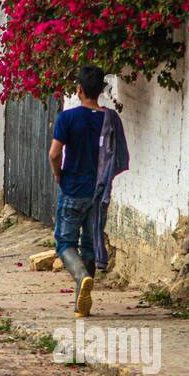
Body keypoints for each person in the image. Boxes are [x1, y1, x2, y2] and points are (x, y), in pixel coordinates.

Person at [48, 65, 128, 318]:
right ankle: (81, 305)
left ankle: (82, 276)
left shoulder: (68, 118)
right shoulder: (111, 119)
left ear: (79, 90)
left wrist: (58, 173)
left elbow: (54, 153)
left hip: (73, 189)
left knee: (64, 242)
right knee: (90, 245)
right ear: (101, 90)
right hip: (99, 192)